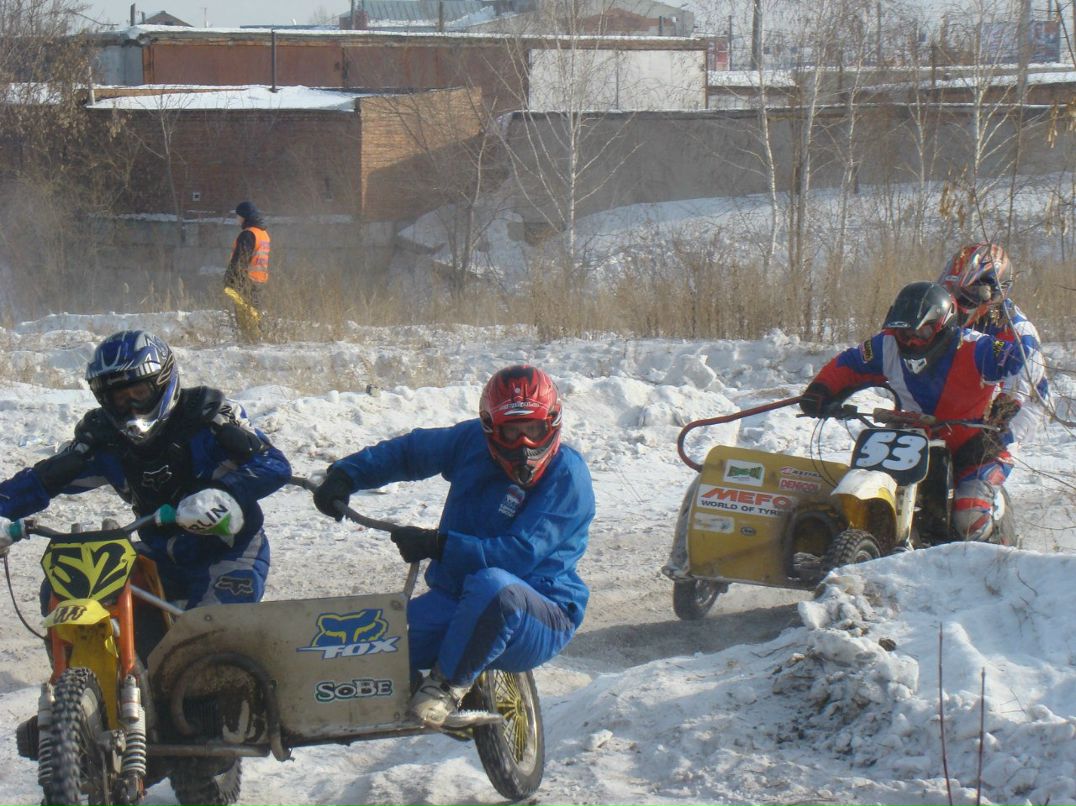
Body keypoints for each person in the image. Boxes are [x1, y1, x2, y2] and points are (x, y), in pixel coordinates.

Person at [311, 365, 594, 728]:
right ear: (491, 428)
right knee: (375, 643)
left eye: (533, 430)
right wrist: (347, 475)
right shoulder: (470, 442)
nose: (523, 444)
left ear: (551, 425)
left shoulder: (568, 474)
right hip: (457, 600)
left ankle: (445, 688)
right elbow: (411, 452)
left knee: (494, 584)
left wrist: (439, 544)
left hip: (542, 612)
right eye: (512, 431)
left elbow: (519, 554)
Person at [0, 330, 291, 612]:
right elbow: (43, 479)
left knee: (210, 639)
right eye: (120, 398)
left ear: (162, 382)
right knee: (64, 587)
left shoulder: (207, 418)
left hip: (231, 552)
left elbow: (275, 465)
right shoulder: (103, 440)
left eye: (138, 392)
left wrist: (225, 493)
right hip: (160, 554)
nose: (131, 405)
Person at [799, 281, 1027, 544]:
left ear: (943, 325)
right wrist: (820, 389)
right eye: (904, 334)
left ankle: (996, 555)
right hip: (918, 439)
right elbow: (848, 363)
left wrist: (1007, 407)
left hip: (979, 444)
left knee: (969, 518)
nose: (912, 341)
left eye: (923, 332)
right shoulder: (886, 346)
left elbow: (1023, 366)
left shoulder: (976, 348)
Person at [938, 242, 1050, 457]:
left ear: (990, 293)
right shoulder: (957, 317)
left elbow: (1019, 386)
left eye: (964, 294)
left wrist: (994, 428)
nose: (955, 301)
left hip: (1024, 404)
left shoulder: (1016, 329)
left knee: (982, 458)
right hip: (979, 393)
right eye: (950, 290)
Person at [224, 200, 271, 341]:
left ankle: (250, 341)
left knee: (245, 315)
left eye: (238, 216)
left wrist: (229, 278)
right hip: (259, 281)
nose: (236, 219)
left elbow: (240, 260)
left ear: (244, 216)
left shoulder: (248, 234)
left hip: (246, 281)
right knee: (255, 313)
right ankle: (259, 339)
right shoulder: (263, 234)